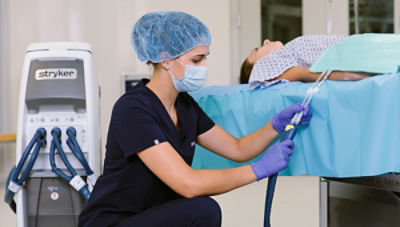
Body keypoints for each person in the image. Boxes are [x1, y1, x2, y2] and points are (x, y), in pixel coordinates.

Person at [78, 11, 312, 227]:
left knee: (203, 210)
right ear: (165, 59)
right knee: (202, 210)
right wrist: (258, 169)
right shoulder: (132, 109)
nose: (203, 67)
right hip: (113, 222)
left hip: (150, 216)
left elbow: (237, 148)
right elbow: (187, 184)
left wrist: (275, 126)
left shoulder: (185, 106)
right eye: (197, 60)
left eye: (205, 59)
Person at [240, 35, 370, 88]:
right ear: (261, 67)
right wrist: (363, 76)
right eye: (257, 50)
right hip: (362, 57)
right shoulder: (267, 72)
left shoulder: (287, 56)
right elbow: (317, 74)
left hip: (359, 47)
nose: (266, 41)